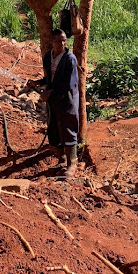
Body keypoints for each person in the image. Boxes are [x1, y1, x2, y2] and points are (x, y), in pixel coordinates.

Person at [27, 29, 80, 177]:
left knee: (69, 128)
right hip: (53, 100)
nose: (61, 44)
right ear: (52, 42)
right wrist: (37, 83)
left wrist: (49, 93)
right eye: (58, 41)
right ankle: (61, 160)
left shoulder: (70, 59)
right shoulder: (48, 58)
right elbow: (49, 78)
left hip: (67, 99)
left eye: (63, 40)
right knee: (55, 128)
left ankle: (72, 164)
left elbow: (69, 84)